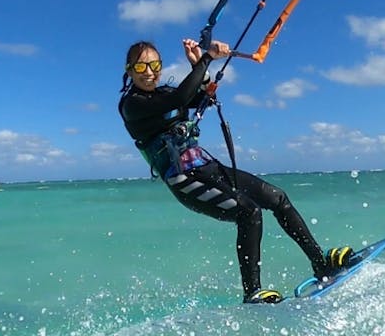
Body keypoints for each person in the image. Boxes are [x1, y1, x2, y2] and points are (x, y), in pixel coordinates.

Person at [118, 38, 354, 304]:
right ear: (129, 71)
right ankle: (252, 291)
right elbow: (181, 97)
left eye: (154, 64)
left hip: (207, 168)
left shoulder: (162, 94)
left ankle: (320, 263)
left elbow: (205, 96)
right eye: (141, 67)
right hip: (184, 179)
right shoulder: (132, 105)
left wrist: (198, 64)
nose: (149, 72)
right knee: (249, 212)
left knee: (277, 198)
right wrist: (207, 57)